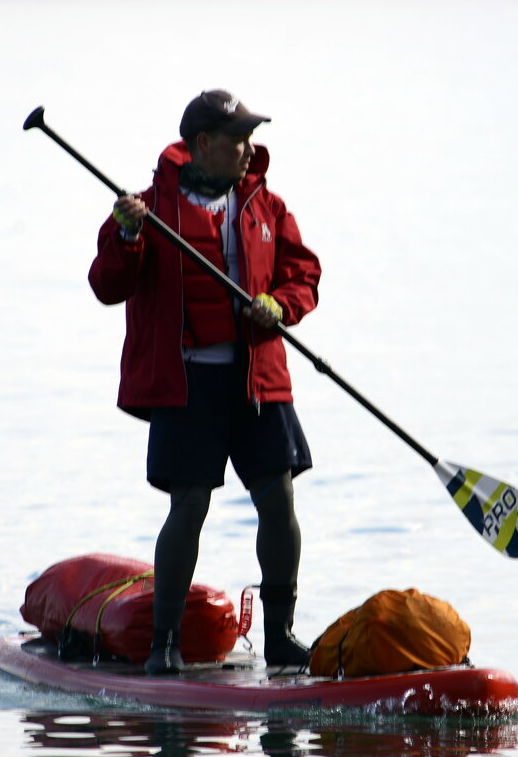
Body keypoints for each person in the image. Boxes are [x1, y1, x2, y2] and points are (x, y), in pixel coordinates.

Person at [87, 89, 322, 674]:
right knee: (189, 506)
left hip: (257, 383)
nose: (249, 149)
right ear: (202, 146)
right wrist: (127, 236)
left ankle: (282, 636)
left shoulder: (266, 205)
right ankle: (162, 645)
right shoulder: (144, 211)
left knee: (280, 503)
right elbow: (107, 284)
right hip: (187, 386)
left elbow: (305, 276)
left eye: (250, 137)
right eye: (237, 139)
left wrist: (279, 306)